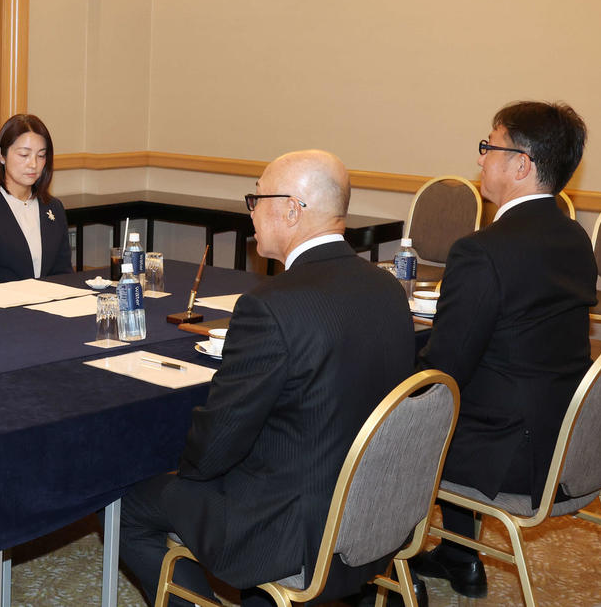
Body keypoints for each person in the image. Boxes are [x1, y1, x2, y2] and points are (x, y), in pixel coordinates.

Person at [119, 150, 417, 606]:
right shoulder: (387, 288)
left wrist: (184, 473)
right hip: (374, 514)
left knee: (130, 504)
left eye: (256, 198)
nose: (251, 212)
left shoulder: (272, 306)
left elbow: (217, 443)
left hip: (290, 529)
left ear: (292, 209)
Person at [411, 101, 596, 598]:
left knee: (380, 413)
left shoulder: (484, 250)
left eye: (488, 147)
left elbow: (445, 369)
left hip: (505, 452)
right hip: (564, 439)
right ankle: (458, 555)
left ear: (521, 165)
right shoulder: (576, 239)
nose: (480, 161)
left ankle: (366, 571)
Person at [0, 114, 73, 286]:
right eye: (24, 155)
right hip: (1, 310)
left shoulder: (54, 208)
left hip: (50, 306)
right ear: (2, 156)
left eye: (41, 156)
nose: (33, 164)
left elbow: (64, 275)